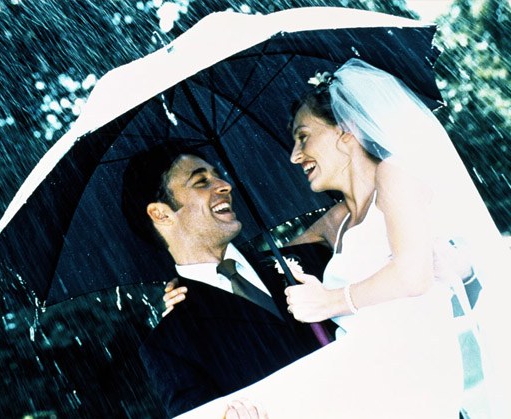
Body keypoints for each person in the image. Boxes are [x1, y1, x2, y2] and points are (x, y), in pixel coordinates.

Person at [168, 59, 486, 418]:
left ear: (346, 130)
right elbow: (254, 268)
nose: (294, 156)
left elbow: (413, 276)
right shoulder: (338, 220)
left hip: (414, 384)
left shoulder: (394, 175)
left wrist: (330, 301)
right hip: (364, 389)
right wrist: (199, 286)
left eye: (303, 136)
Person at [120, 143, 334, 418]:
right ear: (161, 214)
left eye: (218, 176)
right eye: (201, 182)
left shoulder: (308, 258)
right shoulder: (169, 346)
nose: (225, 186)